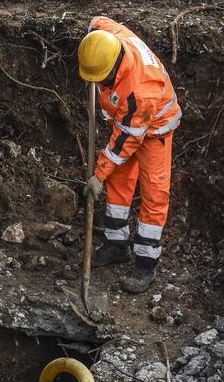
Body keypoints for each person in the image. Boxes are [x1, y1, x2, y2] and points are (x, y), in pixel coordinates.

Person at [77, 16, 182, 293]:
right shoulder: (107, 36)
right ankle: (117, 245)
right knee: (119, 185)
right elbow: (96, 21)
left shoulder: (140, 90)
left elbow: (126, 141)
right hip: (126, 124)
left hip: (154, 129)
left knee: (154, 194)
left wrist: (98, 175)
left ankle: (146, 264)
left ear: (113, 68)